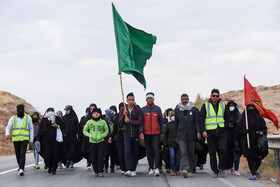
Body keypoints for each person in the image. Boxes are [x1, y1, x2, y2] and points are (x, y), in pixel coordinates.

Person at [201, 89, 229, 178]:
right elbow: (201, 119)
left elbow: (227, 118)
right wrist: (203, 130)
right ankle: (215, 171)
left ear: (219, 97)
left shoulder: (223, 105)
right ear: (210, 96)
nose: (215, 97)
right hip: (210, 133)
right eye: (213, 95)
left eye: (217, 96)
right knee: (212, 152)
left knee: (223, 150)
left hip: (221, 133)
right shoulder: (205, 105)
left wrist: (225, 126)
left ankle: (221, 169)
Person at [235, 104, 268, 180]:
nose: (251, 109)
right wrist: (245, 131)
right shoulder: (243, 119)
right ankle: (253, 173)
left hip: (258, 142)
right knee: (250, 157)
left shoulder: (259, 118)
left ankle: (255, 169)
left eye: (252, 108)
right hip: (247, 142)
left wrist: (262, 132)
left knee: (259, 157)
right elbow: (238, 131)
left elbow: (264, 128)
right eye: (249, 108)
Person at [174, 94, 201, 178]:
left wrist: (198, 132)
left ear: (188, 99)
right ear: (181, 100)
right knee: (183, 152)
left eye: (186, 99)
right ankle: (184, 169)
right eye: (183, 99)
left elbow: (197, 122)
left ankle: (190, 169)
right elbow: (176, 123)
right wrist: (175, 135)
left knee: (191, 153)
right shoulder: (177, 109)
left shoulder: (194, 109)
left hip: (191, 134)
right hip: (181, 134)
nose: (184, 101)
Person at [5, 104, 34, 176]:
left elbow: (31, 128)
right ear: (17, 110)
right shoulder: (13, 118)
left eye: (22, 110)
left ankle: (21, 168)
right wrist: (7, 134)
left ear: (24, 110)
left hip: (25, 139)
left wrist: (31, 139)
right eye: (19, 110)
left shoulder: (28, 118)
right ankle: (20, 165)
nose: (20, 111)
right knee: (17, 154)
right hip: (16, 139)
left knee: (22, 153)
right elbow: (8, 127)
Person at [119, 93, 143, 177]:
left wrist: (130, 121)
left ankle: (133, 169)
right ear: (126, 100)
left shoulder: (137, 110)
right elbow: (120, 122)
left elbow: (140, 121)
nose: (131, 101)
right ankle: (128, 169)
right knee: (127, 152)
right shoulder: (123, 110)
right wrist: (123, 116)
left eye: (132, 99)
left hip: (135, 134)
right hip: (127, 134)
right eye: (129, 100)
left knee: (135, 152)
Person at [141, 92, 164, 176]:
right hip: (146, 133)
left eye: (151, 98)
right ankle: (151, 168)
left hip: (156, 133)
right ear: (146, 99)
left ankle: (157, 168)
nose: (149, 99)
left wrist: (162, 132)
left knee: (156, 150)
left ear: (153, 99)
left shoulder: (157, 109)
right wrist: (141, 132)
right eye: (148, 98)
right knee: (149, 151)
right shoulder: (143, 110)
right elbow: (141, 122)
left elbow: (161, 121)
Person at [37, 107, 64, 175]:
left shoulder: (57, 118)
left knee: (55, 154)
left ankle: (54, 168)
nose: (50, 112)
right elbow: (40, 130)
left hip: (55, 141)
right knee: (47, 154)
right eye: (49, 111)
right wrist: (38, 139)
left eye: (51, 110)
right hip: (46, 141)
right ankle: (49, 166)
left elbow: (63, 125)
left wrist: (57, 126)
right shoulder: (44, 119)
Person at [83, 108, 109, 177]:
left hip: (101, 141)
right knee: (93, 157)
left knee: (100, 156)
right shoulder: (89, 122)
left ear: (100, 114)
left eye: (97, 112)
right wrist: (90, 135)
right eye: (94, 113)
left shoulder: (103, 122)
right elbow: (85, 131)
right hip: (92, 142)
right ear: (92, 114)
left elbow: (106, 131)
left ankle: (101, 171)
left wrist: (102, 136)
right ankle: (95, 170)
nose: (96, 114)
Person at [225, 101, 242, 176]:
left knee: (236, 154)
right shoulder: (225, 115)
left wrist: (234, 125)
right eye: (230, 105)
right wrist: (227, 125)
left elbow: (241, 124)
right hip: (228, 138)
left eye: (233, 105)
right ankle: (230, 167)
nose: (231, 107)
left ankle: (236, 169)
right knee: (229, 154)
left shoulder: (238, 115)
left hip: (236, 138)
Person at [164, 110, 180, 176]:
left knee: (178, 157)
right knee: (172, 156)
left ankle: (177, 169)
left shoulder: (179, 125)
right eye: (172, 115)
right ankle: (173, 169)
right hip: (170, 143)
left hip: (178, 144)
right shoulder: (168, 125)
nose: (173, 117)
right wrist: (165, 144)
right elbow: (165, 135)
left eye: (174, 116)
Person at [103, 109, 118, 173]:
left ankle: (112, 167)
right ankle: (105, 168)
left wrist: (112, 137)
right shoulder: (104, 121)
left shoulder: (114, 120)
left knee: (113, 154)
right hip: (106, 139)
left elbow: (115, 129)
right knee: (106, 154)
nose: (113, 115)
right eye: (111, 114)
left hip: (113, 139)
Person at [116, 102, 127, 175]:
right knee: (121, 153)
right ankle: (123, 168)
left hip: (127, 135)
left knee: (127, 152)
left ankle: (129, 167)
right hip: (119, 136)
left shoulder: (128, 114)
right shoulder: (117, 116)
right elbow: (116, 125)